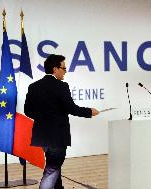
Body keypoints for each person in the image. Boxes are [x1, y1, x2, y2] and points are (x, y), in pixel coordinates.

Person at [24, 54, 99, 189]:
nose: (65, 71)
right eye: (64, 68)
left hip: (42, 136)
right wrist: (89, 112)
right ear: (55, 69)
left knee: (54, 165)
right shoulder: (61, 86)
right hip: (57, 136)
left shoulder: (33, 86)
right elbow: (71, 108)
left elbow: (28, 111)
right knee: (52, 169)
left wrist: (44, 118)